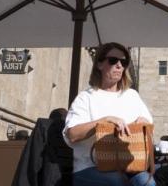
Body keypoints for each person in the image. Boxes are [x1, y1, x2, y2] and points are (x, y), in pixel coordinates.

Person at [64, 42, 155, 186]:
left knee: (147, 183)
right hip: (89, 166)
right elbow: (72, 134)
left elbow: (149, 127)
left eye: (123, 62)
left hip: (130, 165)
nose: (119, 65)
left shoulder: (132, 96)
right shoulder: (86, 97)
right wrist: (104, 121)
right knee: (116, 182)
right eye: (113, 60)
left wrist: (144, 122)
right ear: (99, 64)